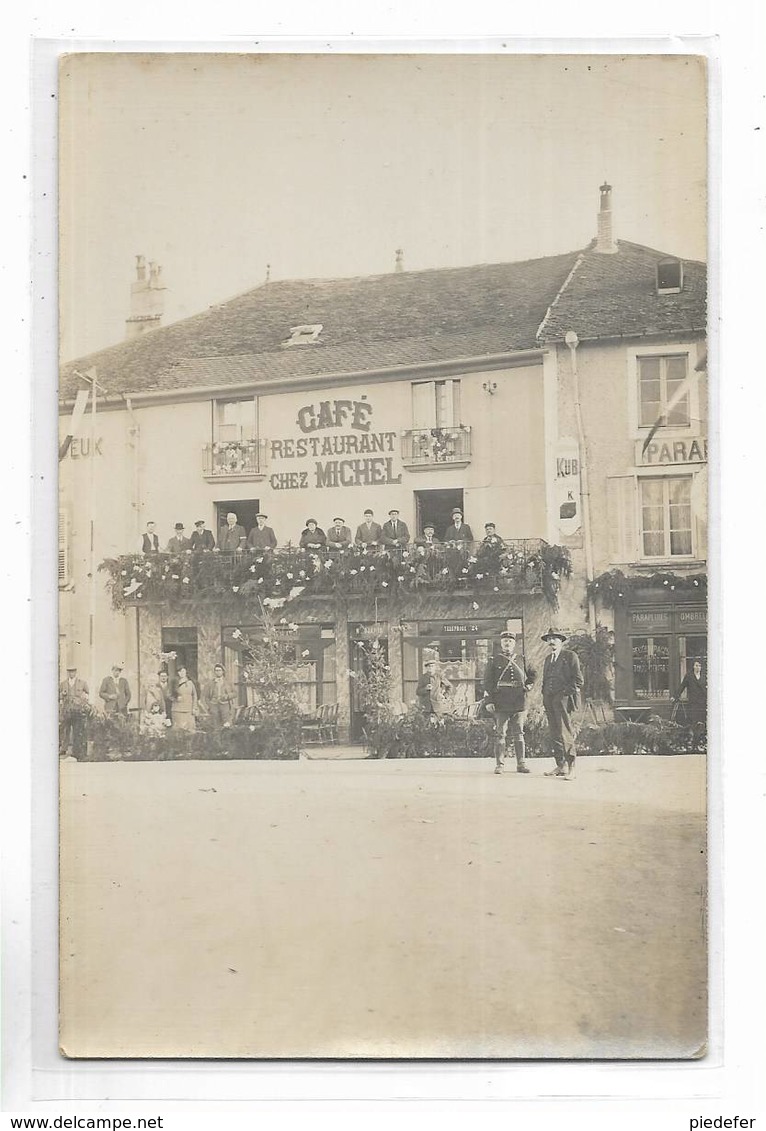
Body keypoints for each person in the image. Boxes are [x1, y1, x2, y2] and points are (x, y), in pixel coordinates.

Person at [483, 631, 535, 774]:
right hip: (501, 701)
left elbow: (533, 674)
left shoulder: (522, 659)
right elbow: (487, 683)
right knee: (500, 733)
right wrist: (489, 701)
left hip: (519, 700)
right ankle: (500, 764)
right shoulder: (493, 660)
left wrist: (529, 685)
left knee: (519, 733)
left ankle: (521, 764)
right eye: (505, 641)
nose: (507, 644)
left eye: (510, 641)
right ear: (501, 644)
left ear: (514, 644)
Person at [541, 628, 584, 779]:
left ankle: (572, 767)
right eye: (549, 639)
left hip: (563, 700)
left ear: (561, 641)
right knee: (554, 732)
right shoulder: (548, 659)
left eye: (555, 638)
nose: (551, 641)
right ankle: (561, 765)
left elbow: (578, 680)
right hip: (549, 700)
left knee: (565, 732)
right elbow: (545, 680)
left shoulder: (570, 656)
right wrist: (545, 696)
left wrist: (563, 694)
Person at [59, 665, 90, 759]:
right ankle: (63, 749)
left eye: (73, 671)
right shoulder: (63, 683)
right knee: (65, 730)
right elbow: (58, 696)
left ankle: (76, 750)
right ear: (68, 673)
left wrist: (83, 701)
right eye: (69, 671)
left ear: (76, 672)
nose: (71, 673)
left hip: (77, 711)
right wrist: (62, 694)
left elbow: (87, 694)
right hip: (67, 711)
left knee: (77, 730)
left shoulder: (82, 683)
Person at [203, 663, 237, 728]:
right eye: (216, 670)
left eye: (219, 670)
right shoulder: (211, 683)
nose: (217, 672)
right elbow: (206, 697)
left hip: (225, 705)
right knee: (215, 725)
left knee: (226, 725)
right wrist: (209, 706)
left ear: (223, 671)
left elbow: (235, 693)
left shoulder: (228, 682)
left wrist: (227, 696)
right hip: (214, 705)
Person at [675, 659, 707, 729]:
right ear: (693, 666)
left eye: (699, 666)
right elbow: (682, 686)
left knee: (702, 721)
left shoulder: (704, 676)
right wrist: (675, 696)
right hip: (693, 702)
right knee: (694, 721)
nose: (698, 667)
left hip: (703, 702)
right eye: (696, 665)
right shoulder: (689, 676)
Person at [171, 665, 199, 732]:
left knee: (190, 729)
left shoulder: (191, 683)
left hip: (188, 709)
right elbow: (169, 694)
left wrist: (194, 707)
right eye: (180, 671)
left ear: (186, 672)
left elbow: (195, 695)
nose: (181, 673)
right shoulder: (174, 682)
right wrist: (175, 698)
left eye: (183, 671)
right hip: (177, 709)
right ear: (177, 673)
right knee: (178, 730)